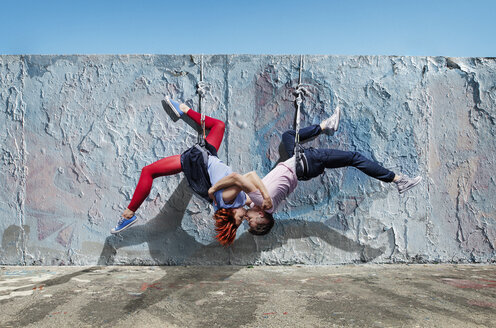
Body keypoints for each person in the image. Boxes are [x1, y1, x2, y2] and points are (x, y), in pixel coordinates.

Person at [208, 105, 422, 241]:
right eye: (251, 220)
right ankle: (397, 179)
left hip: (299, 165)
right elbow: (251, 178)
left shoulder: (267, 205)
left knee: (288, 136)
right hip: (307, 162)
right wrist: (230, 194)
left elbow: (246, 195)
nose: (248, 219)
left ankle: (325, 125)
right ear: (262, 215)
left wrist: (238, 206)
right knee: (354, 157)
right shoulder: (264, 201)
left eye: (247, 221)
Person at [111, 97, 273, 244]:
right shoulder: (237, 203)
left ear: (230, 212)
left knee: (148, 171)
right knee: (219, 125)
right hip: (210, 156)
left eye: (239, 218)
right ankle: (184, 109)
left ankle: (128, 214)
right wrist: (260, 205)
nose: (243, 217)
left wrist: (264, 196)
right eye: (244, 219)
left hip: (198, 161)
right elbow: (249, 189)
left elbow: (242, 178)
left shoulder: (227, 201)